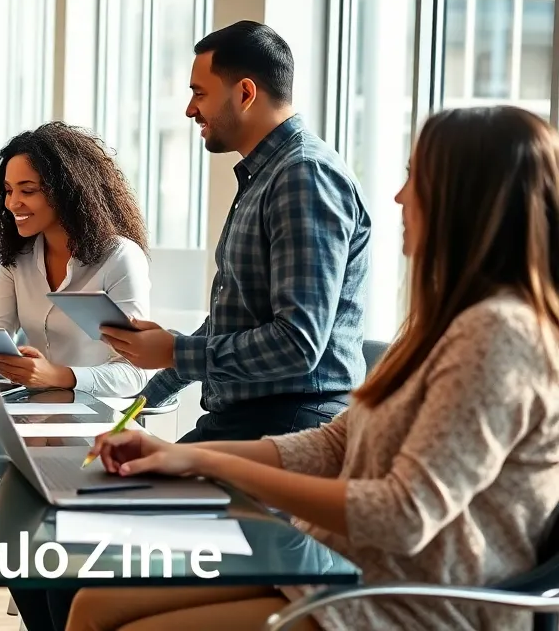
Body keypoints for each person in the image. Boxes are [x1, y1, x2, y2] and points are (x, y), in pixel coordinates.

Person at [69, 105, 559, 631]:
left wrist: (207, 464)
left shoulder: (499, 335)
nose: (398, 197)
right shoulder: (438, 324)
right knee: (94, 605)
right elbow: (333, 446)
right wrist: (176, 455)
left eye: (415, 177)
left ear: (465, 201)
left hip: (410, 604)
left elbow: (403, 517)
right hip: (345, 572)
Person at [102, 20, 371, 442]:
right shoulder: (266, 176)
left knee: (107, 493)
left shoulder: (304, 175)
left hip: (291, 426)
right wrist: (141, 401)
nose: (191, 110)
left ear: (245, 93)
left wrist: (174, 352)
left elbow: (298, 344)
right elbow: (232, 321)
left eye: (199, 93)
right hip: (247, 422)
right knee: (102, 476)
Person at [0, 122, 153, 397]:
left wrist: (58, 375)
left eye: (28, 190)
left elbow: (135, 371)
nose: (12, 203)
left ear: (68, 191)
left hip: (98, 419)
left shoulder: (120, 257)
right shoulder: (17, 257)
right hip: (35, 413)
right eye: (9, 190)